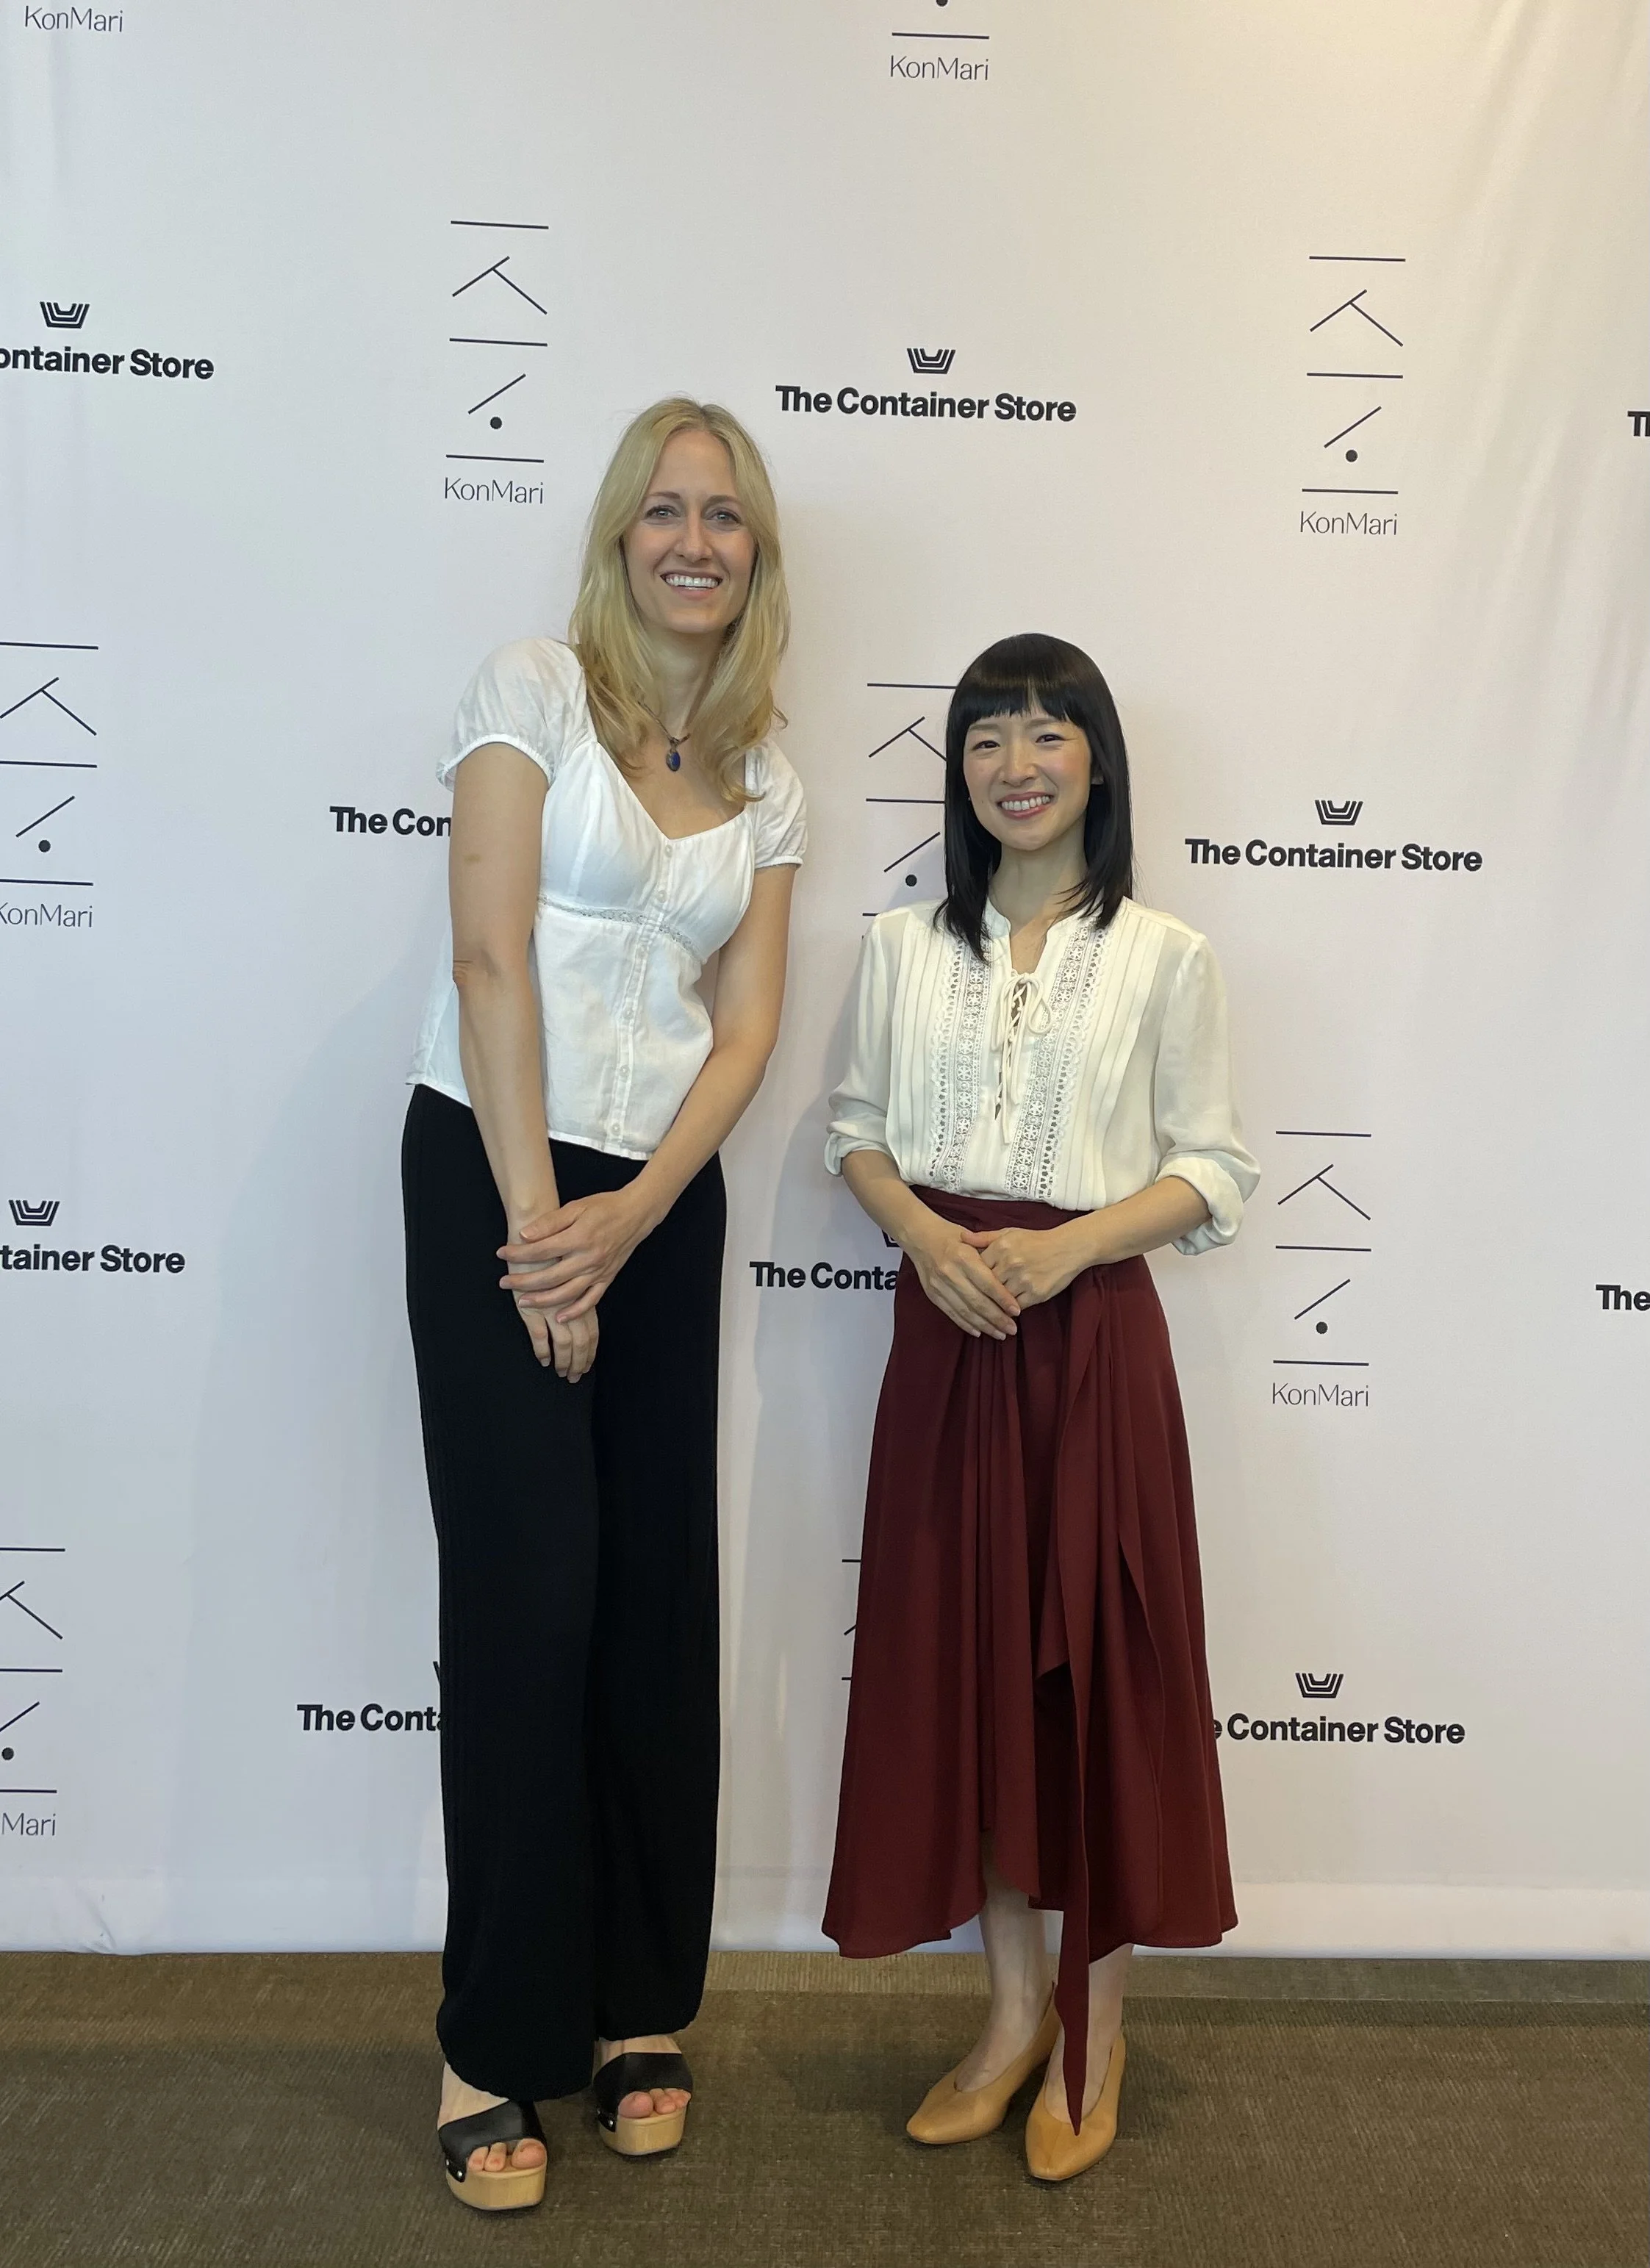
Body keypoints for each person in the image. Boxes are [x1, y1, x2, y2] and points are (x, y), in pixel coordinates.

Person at [402, 398, 805, 2211]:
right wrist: (540, 1231)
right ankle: (492, 2039)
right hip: (491, 1173)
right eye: (665, 510)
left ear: (756, 551)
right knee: (525, 1598)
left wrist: (633, 1220)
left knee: (651, 1596)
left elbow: (750, 1028)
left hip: (657, 1199)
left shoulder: (766, 770)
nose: (694, 540)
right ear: (619, 535)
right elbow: (491, 951)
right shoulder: (528, 689)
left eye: (725, 515)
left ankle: (641, 2002)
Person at [822, 633, 1257, 2183]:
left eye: (1047, 732)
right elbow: (857, 1136)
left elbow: (1214, 1169)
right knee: (974, 1685)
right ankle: (1011, 2020)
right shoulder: (896, 948)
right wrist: (928, 1239)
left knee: (1096, 1695)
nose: (1016, 762)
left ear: (1098, 761)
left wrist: (1066, 1246)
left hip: (1091, 1354)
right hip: (946, 1345)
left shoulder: (1164, 955)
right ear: (960, 772)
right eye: (988, 737)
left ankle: (1097, 2026)